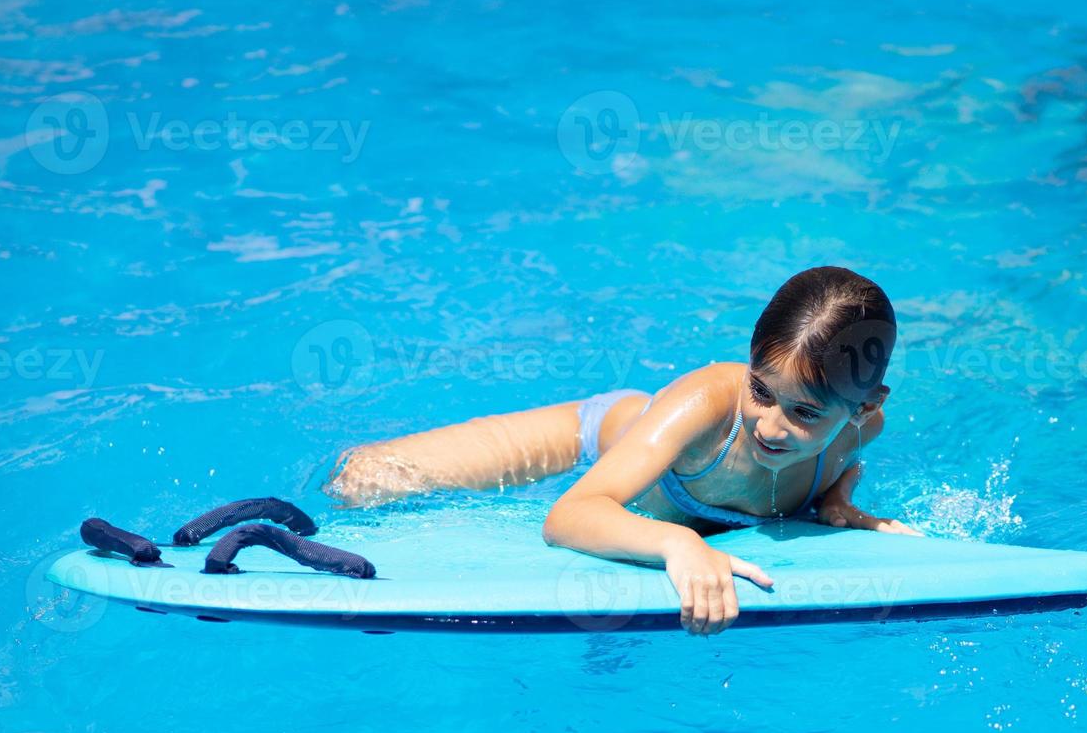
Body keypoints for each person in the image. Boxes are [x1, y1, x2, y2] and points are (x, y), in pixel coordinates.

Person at [326, 266, 916, 634]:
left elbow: (846, 458)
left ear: (860, 410)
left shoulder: (865, 427)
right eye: (761, 392)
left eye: (804, 413)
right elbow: (569, 515)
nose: (769, 424)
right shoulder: (708, 406)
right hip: (608, 429)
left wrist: (835, 499)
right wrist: (676, 542)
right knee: (365, 479)